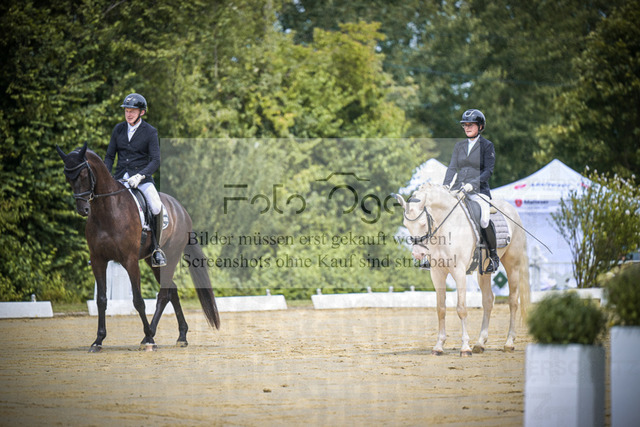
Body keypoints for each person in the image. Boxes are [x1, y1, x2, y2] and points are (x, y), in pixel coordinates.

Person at [104, 93, 167, 267]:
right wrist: (107, 175)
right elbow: (109, 156)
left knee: (156, 206)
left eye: (132, 111)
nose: (129, 114)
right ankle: (101, 247)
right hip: (119, 178)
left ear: (142, 112)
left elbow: (155, 160)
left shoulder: (150, 132)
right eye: (126, 111)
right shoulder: (118, 129)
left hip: (141, 178)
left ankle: (156, 248)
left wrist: (141, 176)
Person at [442, 108, 500, 273]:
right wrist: (446, 185)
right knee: (440, 212)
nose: (467, 128)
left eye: (471, 125)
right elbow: (452, 167)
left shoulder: (487, 146)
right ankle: (431, 254)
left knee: (484, 219)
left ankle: (493, 256)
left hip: (479, 190)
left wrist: (472, 185)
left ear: (480, 127)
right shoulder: (459, 146)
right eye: (465, 125)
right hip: (458, 188)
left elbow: (488, 171)